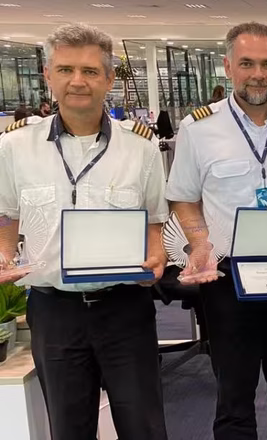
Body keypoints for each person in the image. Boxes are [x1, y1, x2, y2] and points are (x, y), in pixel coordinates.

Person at [0, 23, 168, 440]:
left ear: (109, 79)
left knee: (143, 426)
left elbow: (154, 220)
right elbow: (6, 216)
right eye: (66, 69)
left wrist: (157, 254)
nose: (78, 81)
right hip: (54, 311)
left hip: (125, 308)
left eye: (91, 71)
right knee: (69, 427)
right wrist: (3, 254)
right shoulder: (15, 147)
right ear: (48, 75)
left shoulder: (141, 148)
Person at [165, 22, 267, 439]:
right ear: (227, 67)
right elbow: (183, 197)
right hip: (227, 279)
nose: (258, 74)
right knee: (234, 398)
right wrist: (200, 244)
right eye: (247, 63)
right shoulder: (197, 129)